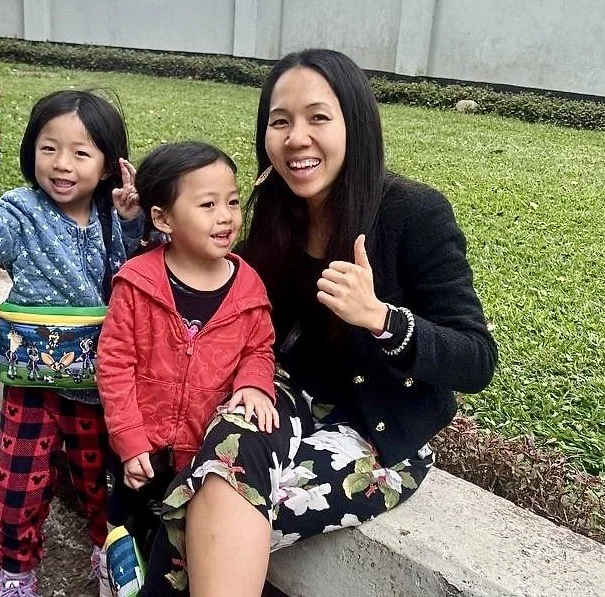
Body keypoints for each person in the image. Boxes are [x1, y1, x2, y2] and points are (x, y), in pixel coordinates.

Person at [142, 49, 498, 596]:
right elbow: (220, 287)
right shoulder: (276, 210)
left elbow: (476, 358)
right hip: (283, 393)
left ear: (354, 124)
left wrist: (381, 319)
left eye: (317, 117)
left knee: (194, 522)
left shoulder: (413, 213)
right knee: (218, 476)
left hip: (379, 429)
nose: (295, 138)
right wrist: (139, 230)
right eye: (279, 121)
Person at [0, 79, 143, 597]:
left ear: (109, 163)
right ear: (31, 151)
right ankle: (15, 571)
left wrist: (137, 220)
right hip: (33, 384)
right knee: (17, 485)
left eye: (80, 152)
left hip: (101, 385)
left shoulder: (116, 218)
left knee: (101, 482)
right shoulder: (22, 214)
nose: (61, 164)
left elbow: (146, 276)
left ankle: (107, 546)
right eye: (48, 148)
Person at [95, 141, 279, 585]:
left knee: (177, 546)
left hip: (198, 452)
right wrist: (130, 439)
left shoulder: (248, 286)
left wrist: (255, 383)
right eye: (208, 204)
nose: (226, 216)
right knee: (127, 530)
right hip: (142, 449)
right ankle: (114, 577)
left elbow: (260, 348)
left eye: (233, 201)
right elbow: (114, 363)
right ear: (163, 219)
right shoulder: (138, 283)